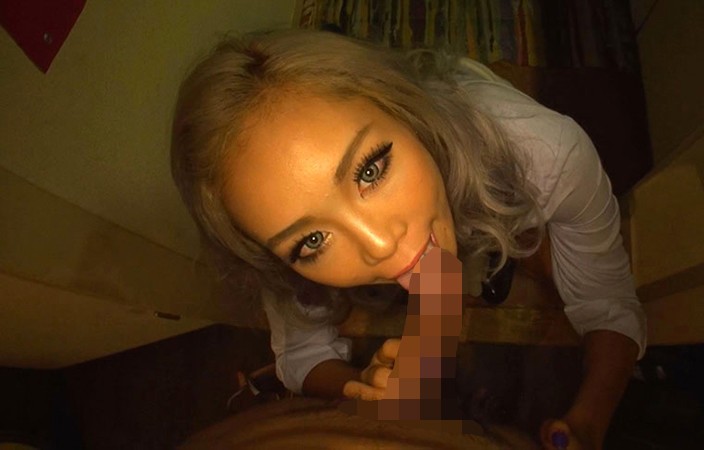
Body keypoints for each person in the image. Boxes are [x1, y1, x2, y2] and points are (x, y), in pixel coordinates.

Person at [171, 29, 646, 450]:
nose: (378, 244)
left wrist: (588, 422)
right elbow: (301, 353)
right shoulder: (280, 254)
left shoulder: (545, 154)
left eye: (370, 170)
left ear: (406, 111)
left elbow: (607, 302)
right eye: (312, 240)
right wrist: (360, 387)